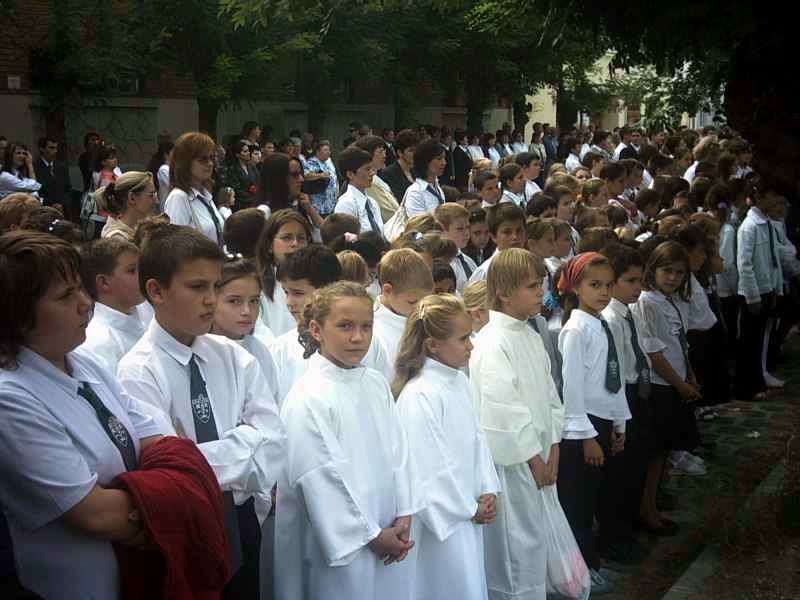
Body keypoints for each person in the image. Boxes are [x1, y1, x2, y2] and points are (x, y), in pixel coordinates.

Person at [116, 223, 286, 599]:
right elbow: (171, 475)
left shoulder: (234, 357)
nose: (210, 300)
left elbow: (274, 444)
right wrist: (243, 441)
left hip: (242, 518)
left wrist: (196, 455)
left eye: (215, 286)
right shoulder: (138, 371)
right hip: (190, 525)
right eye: (197, 287)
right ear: (156, 291)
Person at [0, 231, 164, 599]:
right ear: (18, 315)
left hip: (134, 577)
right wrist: (170, 509)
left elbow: (155, 440)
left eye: (80, 289)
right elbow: (96, 514)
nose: (85, 303)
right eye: (65, 296)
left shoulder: (84, 361)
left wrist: (150, 500)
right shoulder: (10, 398)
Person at [274, 281, 424, 600]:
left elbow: (399, 450)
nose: (358, 337)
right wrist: (369, 534)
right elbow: (319, 476)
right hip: (343, 542)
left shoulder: (375, 383)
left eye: (366, 326)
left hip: (388, 525)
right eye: (345, 326)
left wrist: (405, 511)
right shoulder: (308, 396)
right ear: (316, 330)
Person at [469, 248, 565, 600]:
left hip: (542, 460)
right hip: (515, 467)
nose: (541, 293)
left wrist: (554, 446)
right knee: (516, 555)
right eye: (531, 286)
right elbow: (503, 411)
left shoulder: (530, 335)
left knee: (537, 547)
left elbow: (551, 396)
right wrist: (535, 459)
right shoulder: (492, 343)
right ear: (503, 292)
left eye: (541, 284)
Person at [393, 294, 500, 600]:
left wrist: (487, 489)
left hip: (468, 509)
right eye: (463, 338)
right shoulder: (419, 394)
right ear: (432, 345)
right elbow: (427, 469)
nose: (471, 346)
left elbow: (477, 439)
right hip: (443, 520)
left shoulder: (459, 381)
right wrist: (466, 508)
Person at [556, 252, 630, 594]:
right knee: (579, 506)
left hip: (602, 422)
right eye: (595, 285)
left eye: (608, 285)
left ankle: (591, 563)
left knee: (595, 499)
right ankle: (580, 572)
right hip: (581, 429)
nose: (603, 292)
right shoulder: (575, 330)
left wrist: (620, 423)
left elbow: (612, 378)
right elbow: (572, 390)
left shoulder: (601, 323)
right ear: (576, 287)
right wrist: (586, 437)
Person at [632, 241, 700, 535]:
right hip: (661, 386)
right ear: (653, 269)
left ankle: (654, 501)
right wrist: (680, 384)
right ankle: (646, 509)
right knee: (655, 452)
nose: (672, 278)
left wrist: (690, 375)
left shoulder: (672, 300)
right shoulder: (647, 302)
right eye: (666, 270)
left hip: (676, 382)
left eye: (679, 273)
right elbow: (654, 353)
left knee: (665, 450)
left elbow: (680, 343)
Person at [268, 244, 389, 406]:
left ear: (326, 291)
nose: (289, 302)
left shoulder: (371, 345)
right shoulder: (280, 349)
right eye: (286, 292)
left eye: (298, 293)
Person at [598, 243, 652, 565]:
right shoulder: (611, 318)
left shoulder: (629, 312)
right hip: (621, 397)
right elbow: (615, 371)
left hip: (636, 392)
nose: (637, 287)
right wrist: (620, 417)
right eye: (630, 281)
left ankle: (628, 526)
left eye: (640, 280)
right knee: (618, 473)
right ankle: (613, 535)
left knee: (634, 467)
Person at [735, 182, 785, 400]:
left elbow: (773, 261)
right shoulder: (749, 227)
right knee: (748, 341)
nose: (774, 201)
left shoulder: (767, 224)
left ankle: (757, 382)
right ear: (759, 198)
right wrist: (752, 296)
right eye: (770, 196)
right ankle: (745, 387)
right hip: (753, 293)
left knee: (758, 342)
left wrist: (776, 288)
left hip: (767, 289)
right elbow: (744, 264)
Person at [79, 238, 146, 371]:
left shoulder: (142, 314)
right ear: (104, 282)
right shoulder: (99, 342)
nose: (143, 275)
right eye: (132, 270)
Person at [374, 249, 435, 382]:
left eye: (425, 301)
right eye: (412, 302)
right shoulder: (374, 333)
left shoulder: (427, 319)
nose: (420, 308)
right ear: (387, 290)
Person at [255, 209, 313, 338]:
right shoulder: (257, 284)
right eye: (287, 238)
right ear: (269, 245)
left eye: (301, 238)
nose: (295, 244)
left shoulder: (317, 280)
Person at [164, 132, 224, 246]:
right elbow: (176, 247)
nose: (210, 163)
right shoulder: (178, 197)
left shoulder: (206, 195)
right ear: (185, 162)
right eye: (203, 159)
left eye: (212, 158)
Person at [259, 153, 324, 236]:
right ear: (278, 178)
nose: (301, 179)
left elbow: (325, 233)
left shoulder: (302, 205)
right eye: (294, 175)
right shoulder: (265, 213)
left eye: (301, 174)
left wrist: (310, 209)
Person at [467, 203, 526, 283]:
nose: (515, 236)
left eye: (519, 231)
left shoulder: (532, 265)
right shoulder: (485, 272)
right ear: (493, 237)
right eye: (507, 232)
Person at [335, 146, 385, 237]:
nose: (372, 173)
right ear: (350, 174)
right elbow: (346, 241)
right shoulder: (346, 204)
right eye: (367, 169)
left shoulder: (372, 203)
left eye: (372, 169)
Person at [98, 171, 157, 241]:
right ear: (132, 198)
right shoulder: (118, 240)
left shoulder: (136, 230)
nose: (157, 201)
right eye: (151, 195)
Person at [354, 135, 400, 222]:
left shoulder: (376, 178)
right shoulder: (369, 181)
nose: (384, 155)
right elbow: (388, 213)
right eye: (380, 152)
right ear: (368, 155)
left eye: (384, 151)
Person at [435, 203, 478, 294]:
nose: (466, 233)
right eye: (460, 229)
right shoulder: (438, 264)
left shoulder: (468, 261)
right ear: (442, 230)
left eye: (468, 227)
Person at [403, 139, 447, 217]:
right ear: (426, 161)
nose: (444, 163)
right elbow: (418, 223)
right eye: (439, 159)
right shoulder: (415, 192)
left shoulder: (436, 187)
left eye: (444, 158)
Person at [379, 129, 418, 205]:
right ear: (400, 153)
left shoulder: (417, 171)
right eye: (411, 150)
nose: (415, 154)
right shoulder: (388, 174)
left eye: (416, 150)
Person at [36, 137, 73, 215]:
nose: (55, 151)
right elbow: (36, 191)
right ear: (42, 149)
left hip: (62, 209)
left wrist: (61, 204)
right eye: (51, 148)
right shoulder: (34, 167)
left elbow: (68, 189)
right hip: (44, 210)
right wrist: (51, 205)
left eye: (56, 148)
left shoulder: (61, 166)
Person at [303, 140, 338, 218]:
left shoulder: (327, 163)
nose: (328, 152)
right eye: (325, 150)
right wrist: (320, 175)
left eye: (329, 150)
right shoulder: (312, 162)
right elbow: (306, 176)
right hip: (318, 206)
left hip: (330, 205)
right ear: (318, 152)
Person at [222, 140, 260, 210]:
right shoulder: (233, 169)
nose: (248, 153)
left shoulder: (252, 167)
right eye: (245, 151)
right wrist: (252, 197)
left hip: (255, 202)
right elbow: (236, 190)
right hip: (241, 205)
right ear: (237, 155)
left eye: (248, 151)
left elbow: (259, 181)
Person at [147, 141, 174, 210]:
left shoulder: (171, 168)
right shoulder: (164, 169)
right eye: (173, 152)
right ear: (166, 155)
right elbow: (175, 185)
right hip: (168, 208)